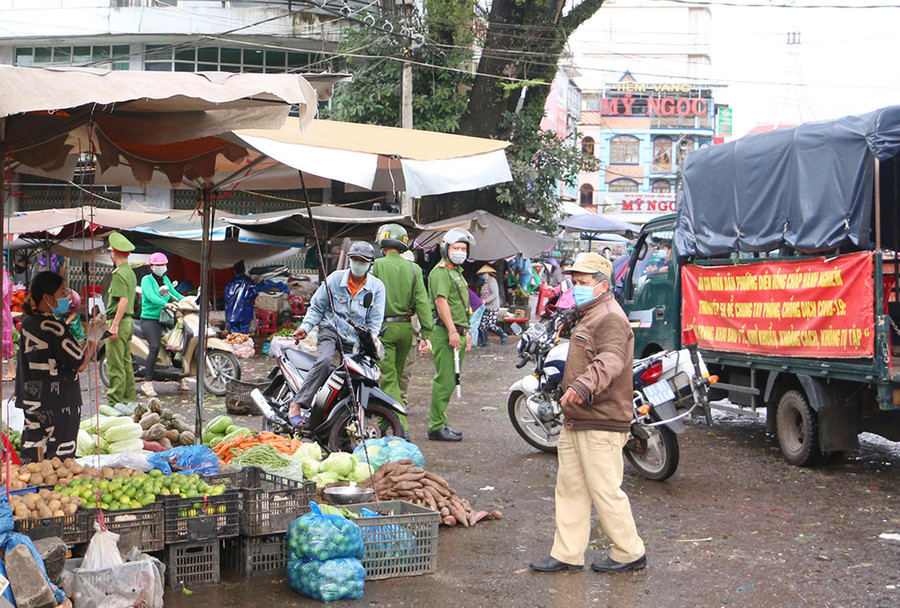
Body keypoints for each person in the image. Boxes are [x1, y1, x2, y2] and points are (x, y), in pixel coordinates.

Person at [530, 252, 646, 574]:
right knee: (570, 489)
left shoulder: (610, 317)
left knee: (605, 492)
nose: (576, 288)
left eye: (583, 283)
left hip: (602, 423)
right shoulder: (588, 314)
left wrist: (581, 387)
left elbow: (610, 360)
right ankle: (567, 554)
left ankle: (630, 552)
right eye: (575, 282)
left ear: (603, 285)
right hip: (578, 419)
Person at [288, 241, 385, 426]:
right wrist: (305, 328)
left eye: (362, 261)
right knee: (324, 361)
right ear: (349, 261)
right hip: (331, 330)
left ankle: (337, 415)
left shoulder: (377, 287)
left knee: (354, 375)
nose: (358, 264)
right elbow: (317, 307)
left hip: (356, 338)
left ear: (370, 264)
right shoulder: (334, 280)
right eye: (355, 260)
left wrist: (371, 343)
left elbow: (375, 321)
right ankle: (298, 403)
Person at [16, 271, 98, 462]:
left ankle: (30, 490)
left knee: (33, 456)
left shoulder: (27, 322)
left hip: (32, 400)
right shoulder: (55, 327)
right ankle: (55, 490)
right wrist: (93, 340)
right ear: (47, 298)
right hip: (59, 404)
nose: (67, 297)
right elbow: (79, 364)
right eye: (62, 293)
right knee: (58, 460)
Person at [370, 224, 433, 431]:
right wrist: (426, 333)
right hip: (406, 329)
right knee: (395, 377)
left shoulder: (376, 266)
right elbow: (422, 302)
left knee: (388, 380)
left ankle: (401, 428)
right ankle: (384, 423)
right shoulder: (414, 269)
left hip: (384, 329)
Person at [427, 228, 475, 442]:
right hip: (446, 331)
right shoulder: (441, 272)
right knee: (445, 380)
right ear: (446, 249)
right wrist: (453, 330)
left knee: (450, 379)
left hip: (458, 330)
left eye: (463, 248)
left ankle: (441, 422)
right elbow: (441, 302)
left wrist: (467, 331)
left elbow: (461, 305)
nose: (460, 252)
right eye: (456, 248)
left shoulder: (456, 272)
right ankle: (436, 426)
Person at [139, 252, 184, 397]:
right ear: (151, 267)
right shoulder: (147, 279)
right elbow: (151, 296)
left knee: (176, 344)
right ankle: (147, 383)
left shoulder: (165, 279)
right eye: (158, 265)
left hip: (165, 318)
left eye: (163, 265)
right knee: (155, 347)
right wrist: (166, 304)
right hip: (149, 319)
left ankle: (180, 378)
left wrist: (191, 300)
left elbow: (175, 293)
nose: (161, 267)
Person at [106, 232, 137, 407]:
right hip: (128, 322)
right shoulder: (130, 272)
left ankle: (114, 401)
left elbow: (123, 300)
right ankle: (128, 399)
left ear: (113, 253)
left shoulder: (118, 274)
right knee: (126, 362)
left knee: (115, 363)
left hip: (118, 321)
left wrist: (114, 325)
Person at [224, 260, 259, 334]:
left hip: (231, 312)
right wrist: (247, 299)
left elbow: (226, 296)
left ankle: (234, 344)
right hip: (246, 311)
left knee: (233, 335)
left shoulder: (231, 282)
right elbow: (255, 293)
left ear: (234, 271)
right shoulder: (249, 281)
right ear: (244, 270)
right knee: (244, 333)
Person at [477, 264, 507, 346]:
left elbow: (495, 294)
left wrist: (485, 301)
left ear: (487, 273)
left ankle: (503, 335)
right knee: (482, 325)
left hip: (493, 307)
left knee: (491, 324)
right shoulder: (485, 283)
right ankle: (484, 342)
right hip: (486, 307)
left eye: (483, 274)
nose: (482, 276)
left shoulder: (492, 281)